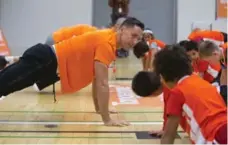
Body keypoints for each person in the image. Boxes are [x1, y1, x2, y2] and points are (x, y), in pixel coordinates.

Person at [0, 17, 145, 127]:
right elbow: (102, 83)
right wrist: (107, 120)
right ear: (121, 29)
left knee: (6, 83)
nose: (135, 41)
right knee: (5, 85)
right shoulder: (106, 43)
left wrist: (100, 110)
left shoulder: (108, 41)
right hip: (45, 60)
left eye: (138, 38)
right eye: (133, 35)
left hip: (46, 63)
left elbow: (96, 80)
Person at [152, 45, 227, 144]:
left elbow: (168, 136)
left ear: (162, 76)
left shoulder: (177, 92)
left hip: (215, 136)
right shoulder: (200, 81)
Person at [34, 17, 127, 92]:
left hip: (56, 39)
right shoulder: (101, 36)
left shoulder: (103, 35)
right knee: (60, 66)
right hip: (56, 40)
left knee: (63, 68)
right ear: (118, 27)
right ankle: (37, 80)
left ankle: (39, 82)